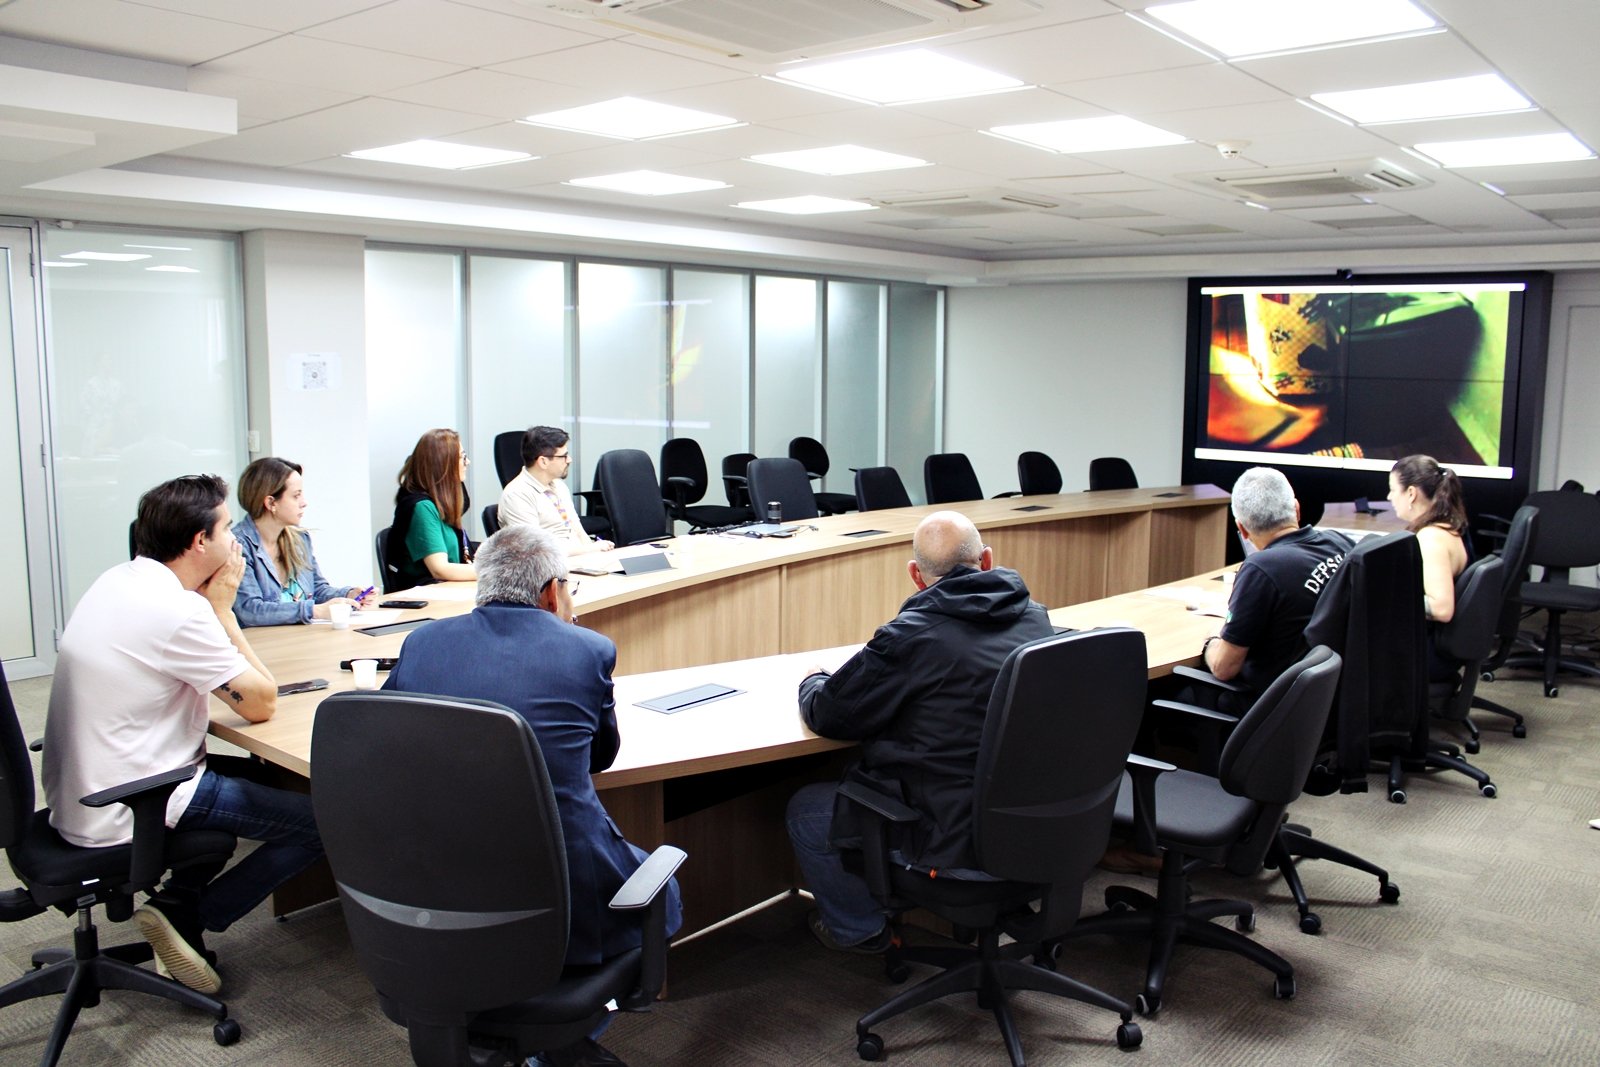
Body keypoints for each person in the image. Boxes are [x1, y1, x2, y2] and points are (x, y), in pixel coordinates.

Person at [382, 524, 680, 1067]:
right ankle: (558, 1042)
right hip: (563, 894)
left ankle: (528, 1035)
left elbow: (393, 733)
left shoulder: (420, 644)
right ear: (551, 591)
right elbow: (600, 758)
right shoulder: (588, 650)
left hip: (436, 889)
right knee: (668, 894)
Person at [42, 475, 324, 995]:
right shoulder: (179, 612)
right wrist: (221, 611)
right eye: (225, 531)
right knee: (327, 819)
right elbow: (262, 703)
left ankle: (175, 906)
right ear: (200, 542)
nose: (234, 543)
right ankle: (188, 914)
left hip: (88, 785)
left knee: (270, 783)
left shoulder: (119, 580)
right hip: (138, 793)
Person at [785, 511, 1052, 953]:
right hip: (1034, 829)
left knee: (805, 809)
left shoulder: (910, 637)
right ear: (987, 560)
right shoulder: (1034, 618)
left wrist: (812, 678)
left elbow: (829, 714)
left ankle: (861, 932)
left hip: (953, 842)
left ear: (916, 576)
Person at [1200, 467, 1353, 709]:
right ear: (1297, 508)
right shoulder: (1341, 544)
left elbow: (1224, 667)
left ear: (1242, 529)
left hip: (1270, 708)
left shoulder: (1261, 569)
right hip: (1331, 698)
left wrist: (1210, 641)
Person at [233, 456, 371, 625]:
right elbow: (250, 611)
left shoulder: (299, 539)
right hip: (264, 646)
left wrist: (348, 595)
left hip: (302, 639)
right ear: (271, 503)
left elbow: (317, 590)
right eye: (296, 496)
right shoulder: (238, 546)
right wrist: (314, 610)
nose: (304, 503)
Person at [1387, 453, 1472, 680]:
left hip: (1427, 654)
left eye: (1393, 490)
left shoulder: (1431, 539)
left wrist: (1389, 598)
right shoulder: (1448, 525)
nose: (1389, 497)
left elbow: (1441, 609)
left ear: (1411, 493)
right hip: (1437, 646)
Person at [497, 425, 613, 554]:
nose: (569, 460)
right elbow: (535, 551)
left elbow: (576, 528)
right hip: (551, 569)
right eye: (564, 456)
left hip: (581, 560)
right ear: (543, 462)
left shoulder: (559, 485)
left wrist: (596, 552)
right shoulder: (516, 495)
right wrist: (589, 549)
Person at [388, 428, 476, 590]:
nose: (467, 462)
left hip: (448, 592)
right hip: (426, 599)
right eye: (462, 457)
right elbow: (440, 569)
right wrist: (493, 572)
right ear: (444, 464)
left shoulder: (442, 504)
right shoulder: (422, 507)